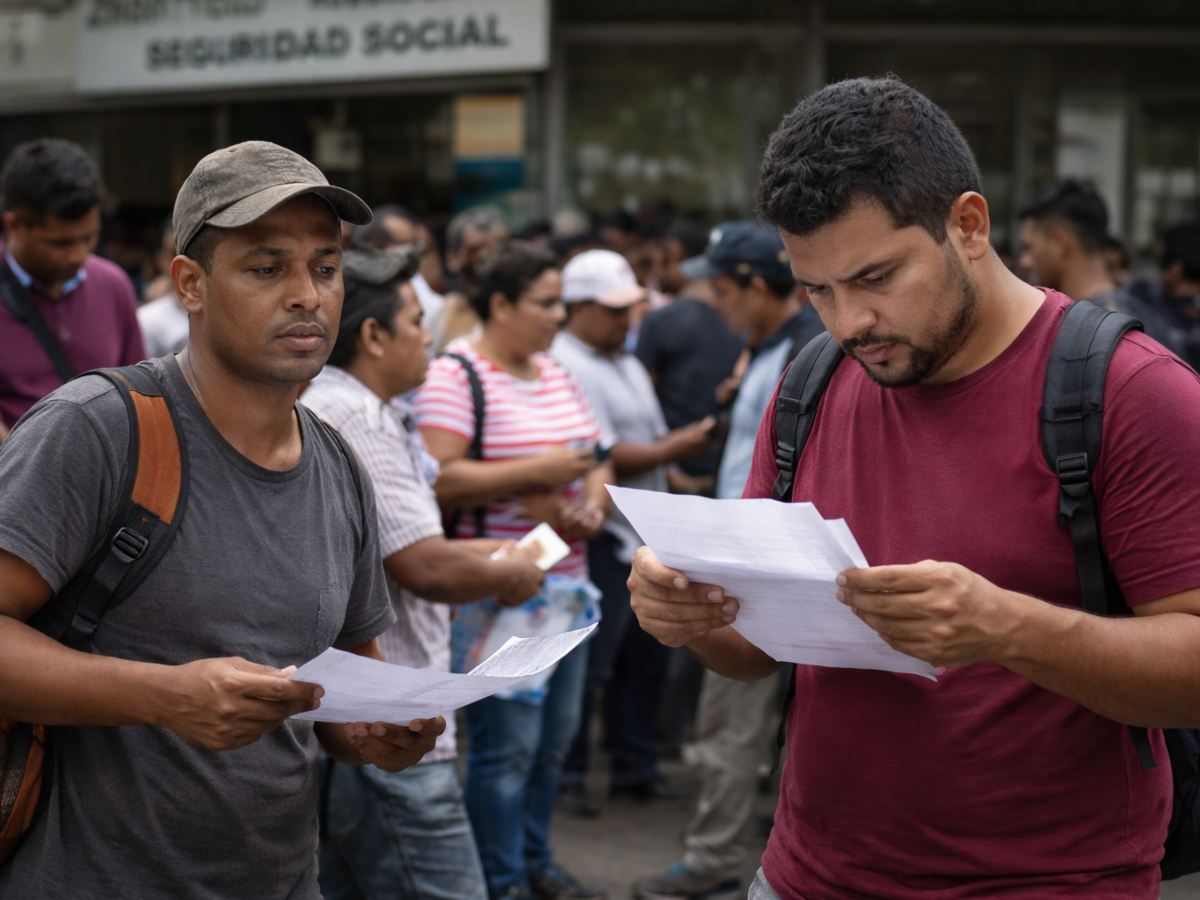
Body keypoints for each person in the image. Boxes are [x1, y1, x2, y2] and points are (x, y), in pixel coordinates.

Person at [628, 76, 1200, 900]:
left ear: (968, 226)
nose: (847, 321)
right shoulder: (812, 382)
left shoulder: (1129, 390)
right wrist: (686, 614)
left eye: (875, 277)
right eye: (816, 291)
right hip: (803, 876)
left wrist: (1006, 627)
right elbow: (752, 652)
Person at [0, 140, 443, 899]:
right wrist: (165, 696)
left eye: (326, 267)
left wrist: (383, 735)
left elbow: (345, 696)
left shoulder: (339, 467)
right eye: (266, 268)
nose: (308, 294)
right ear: (191, 286)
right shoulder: (99, 428)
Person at [303, 247, 547, 900]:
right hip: (393, 729)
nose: (429, 338)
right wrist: (509, 566)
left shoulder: (352, 406)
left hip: (364, 723)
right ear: (375, 336)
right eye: (415, 321)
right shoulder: (357, 417)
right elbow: (423, 564)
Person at [631, 222, 823, 900]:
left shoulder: (809, 352)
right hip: (748, 551)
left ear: (754, 285)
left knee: (731, 721)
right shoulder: (772, 347)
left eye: (720, 288)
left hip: (766, 566)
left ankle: (714, 858)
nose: (713, 303)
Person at [415, 240, 612, 900]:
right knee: (506, 752)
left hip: (566, 583)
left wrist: (588, 502)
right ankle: (497, 881)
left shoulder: (554, 371)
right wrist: (536, 474)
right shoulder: (456, 373)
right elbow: (436, 478)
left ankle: (533, 860)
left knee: (554, 743)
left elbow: (593, 454)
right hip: (497, 591)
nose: (559, 315)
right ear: (500, 305)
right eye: (546, 302)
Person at [550, 249, 715, 818]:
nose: (625, 321)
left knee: (645, 660)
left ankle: (635, 767)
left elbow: (641, 437)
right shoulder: (568, 363)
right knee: (595, 666)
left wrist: (676, 472)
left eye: (629, 310)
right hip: (602, 535)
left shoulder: (621, 359)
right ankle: (571, 776)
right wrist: (676, 447)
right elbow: (603, 452)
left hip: (644, 531)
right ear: (576, 308)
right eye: (612, 310)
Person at [0, 138, 145, 442]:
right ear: (14, 225)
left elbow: (139, 396)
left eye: (89, 238)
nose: (77, 255)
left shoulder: (113, 285)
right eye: (60, 243)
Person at [1017, 178, 1178, 349]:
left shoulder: (1096, 333)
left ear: (1060, 244)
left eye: (1029, 247)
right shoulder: (1149, 318)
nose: (1024, 261)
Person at [348, 204, 447, 334]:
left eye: (416, 245)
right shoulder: (345, 288)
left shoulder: (414, 287)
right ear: (372, 247)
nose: (414, 253)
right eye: (403, 245)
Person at [435, 207, 510, 350]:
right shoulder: (441, 316)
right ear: (452, 259)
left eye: (499, 249)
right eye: (476, 250)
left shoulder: (526, 310)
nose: (489, 258)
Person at [137, 220, 191, 357]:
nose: (185, 262)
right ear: (161, 259)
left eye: (189, 252)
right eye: (174, 253)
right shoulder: (146, 319)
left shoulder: (229, 314)